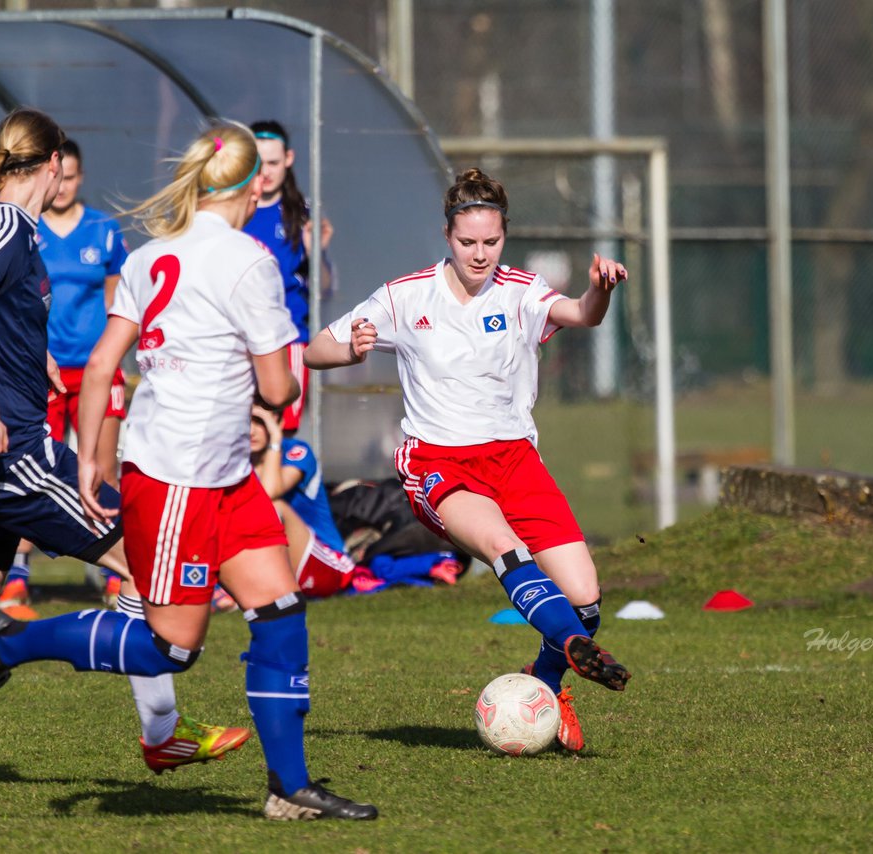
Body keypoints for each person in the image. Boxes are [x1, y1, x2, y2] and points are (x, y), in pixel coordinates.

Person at [0, 121, 377, 821]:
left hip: (217, 473)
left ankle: (289, 787)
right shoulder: (249, 261)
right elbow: (278, 390)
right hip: (179, 477)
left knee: (279, 611)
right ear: (248, 187)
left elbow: (100, 366)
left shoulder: (153, 256)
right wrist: (285, 362)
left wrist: (92, 458)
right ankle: (13, 640)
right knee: (170, 650)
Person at [0, 108, 249, 775]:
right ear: (51, 166)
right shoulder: (6, 225)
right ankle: (162, 734)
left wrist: (17, 357)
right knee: (148, 559)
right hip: (7, 451)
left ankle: (158, 728)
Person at [303, 167, 632, 753]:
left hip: (514, 459)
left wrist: (601, 289)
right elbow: (316, 348)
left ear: (504, 235)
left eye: (491, 241)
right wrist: (348, 350)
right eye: (467, 242)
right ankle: (577, 654)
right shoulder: (406, 296)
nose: (480, 254)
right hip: (439, 460)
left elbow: (582, 314)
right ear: (447, 236)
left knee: (583, 599)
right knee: (503, 546)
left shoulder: (522, 290)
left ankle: (548, 680)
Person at [0, 138, 130, 613]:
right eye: (60, 175)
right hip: (40, 369)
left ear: (79, 177)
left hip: (97, 369)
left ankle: (117, 573)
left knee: (105, 467)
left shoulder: (105, 230)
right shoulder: (25, 230)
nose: (63, 185)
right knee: (35, 469)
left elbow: (119, 304)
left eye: (72, 177)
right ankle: (16, 575)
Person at [242, 120, 332, 436]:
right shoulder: (235, 211)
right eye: (258, 163)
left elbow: (324, 288)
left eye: (273, 162)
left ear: (289, 159)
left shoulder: (301, 213)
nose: (265, 172)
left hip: (288, 338)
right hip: (239, 339)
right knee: (240, 430)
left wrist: (314, 252)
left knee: (281, 430)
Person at [246, 404, 355, 602]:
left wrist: (275, 440)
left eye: (260, 422)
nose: (251, 430)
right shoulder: (239, 461)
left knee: (272, 507)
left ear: (278, 422)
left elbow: (269, 493)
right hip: (283, 562)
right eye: (246, 421)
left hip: (331, 563)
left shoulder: (297, 451)